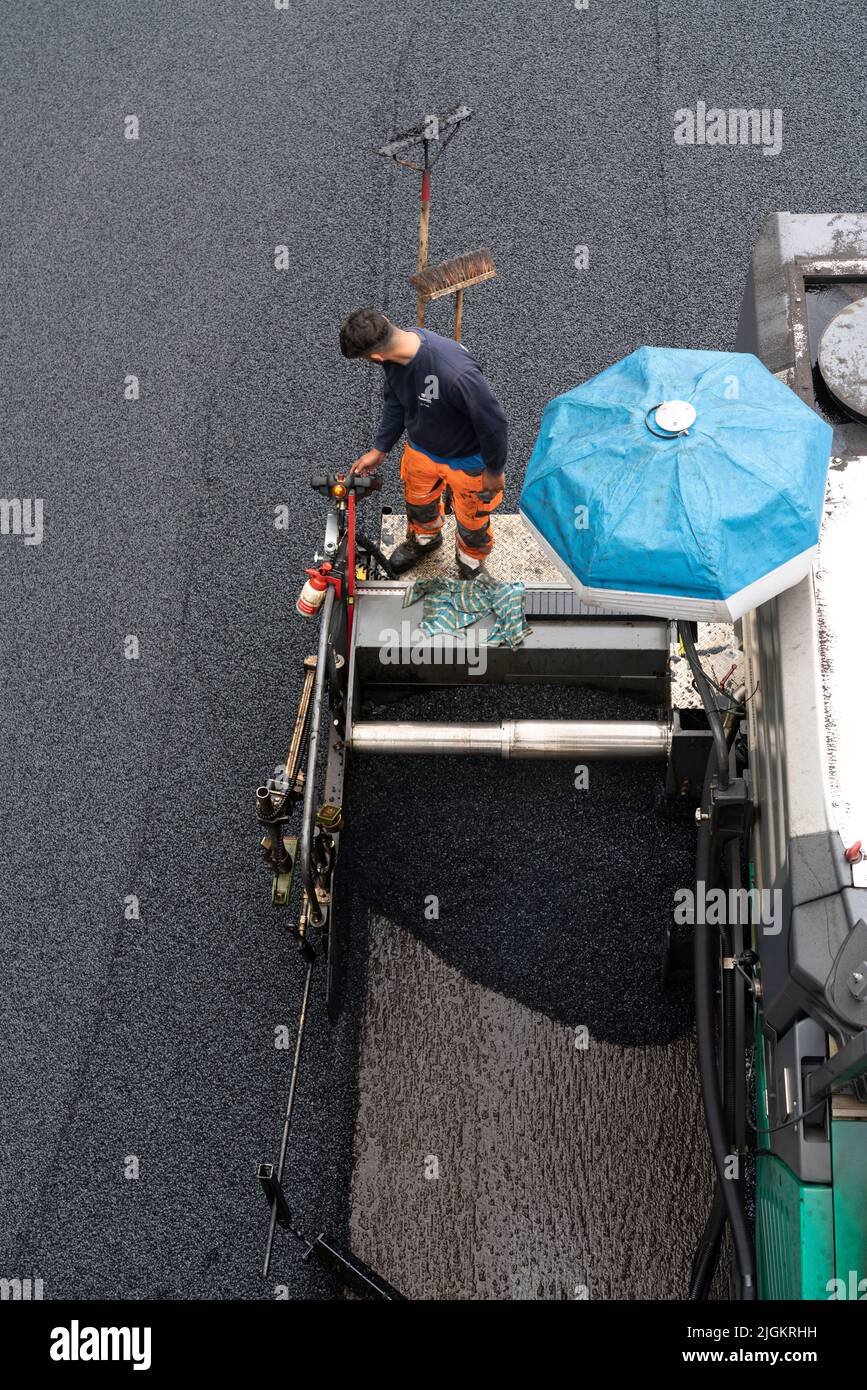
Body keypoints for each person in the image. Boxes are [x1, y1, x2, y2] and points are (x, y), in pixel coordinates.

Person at [340, 308, 507, 578]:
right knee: (419, 502)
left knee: (472, 519)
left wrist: (494, 471)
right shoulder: (393, 362)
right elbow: (395, 403)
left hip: (468, 461)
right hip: (422, 450)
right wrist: (380, 449)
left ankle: (470, 561)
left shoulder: (456, 372)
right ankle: (426, 540)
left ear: (375, 357)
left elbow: (494, 423)